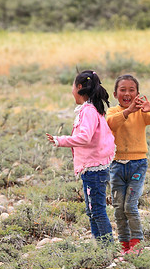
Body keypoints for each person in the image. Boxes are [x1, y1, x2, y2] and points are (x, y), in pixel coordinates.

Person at [46, 70, 115, 244]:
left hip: (94, 169)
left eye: (72, 86)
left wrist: (60, 140)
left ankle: (107, 248)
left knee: (97, 210)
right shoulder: (91, 109)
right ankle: (99, 246)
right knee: (92, 210)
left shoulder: (89, 111)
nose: (71, 91)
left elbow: (85, 137)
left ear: (79, 87)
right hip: (92, 168)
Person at [106, 74, 150, 254]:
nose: (127, 93)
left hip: (138, 164)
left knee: (130, 206)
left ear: (138, 93)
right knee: (118, 208)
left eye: (131, 90)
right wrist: (127, 111)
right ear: (115, 94)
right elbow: (110, 124)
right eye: (122, 90)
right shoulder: (112, 112)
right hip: (116, 165)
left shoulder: (142, 112)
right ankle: (124, 245)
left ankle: (136, 243)